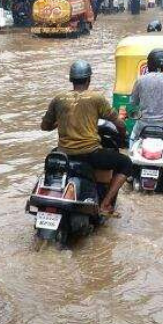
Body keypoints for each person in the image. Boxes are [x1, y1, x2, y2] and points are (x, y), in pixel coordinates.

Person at [40, 61, 133, 214]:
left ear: (71, 79)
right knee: (126, 163)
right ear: (89, 80)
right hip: (90, 154)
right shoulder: (96, 98)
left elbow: (45, 126)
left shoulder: (59, 99)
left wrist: (59, 121)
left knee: (51, 164)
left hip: (64, 153)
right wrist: (124, 137)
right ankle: (105, 204)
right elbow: (119, 123)